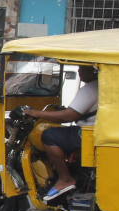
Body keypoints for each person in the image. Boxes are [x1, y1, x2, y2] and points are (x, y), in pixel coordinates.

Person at [19, 65, 99, 202]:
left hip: (88, 134)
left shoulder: (90, 89)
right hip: (97, 133)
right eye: (78, 68)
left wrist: (35, 112)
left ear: (93, 70)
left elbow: (69, 116)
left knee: (49, 135)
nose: (79, 72)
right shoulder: (103, 86)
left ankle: (65, 178)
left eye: (83, 68)